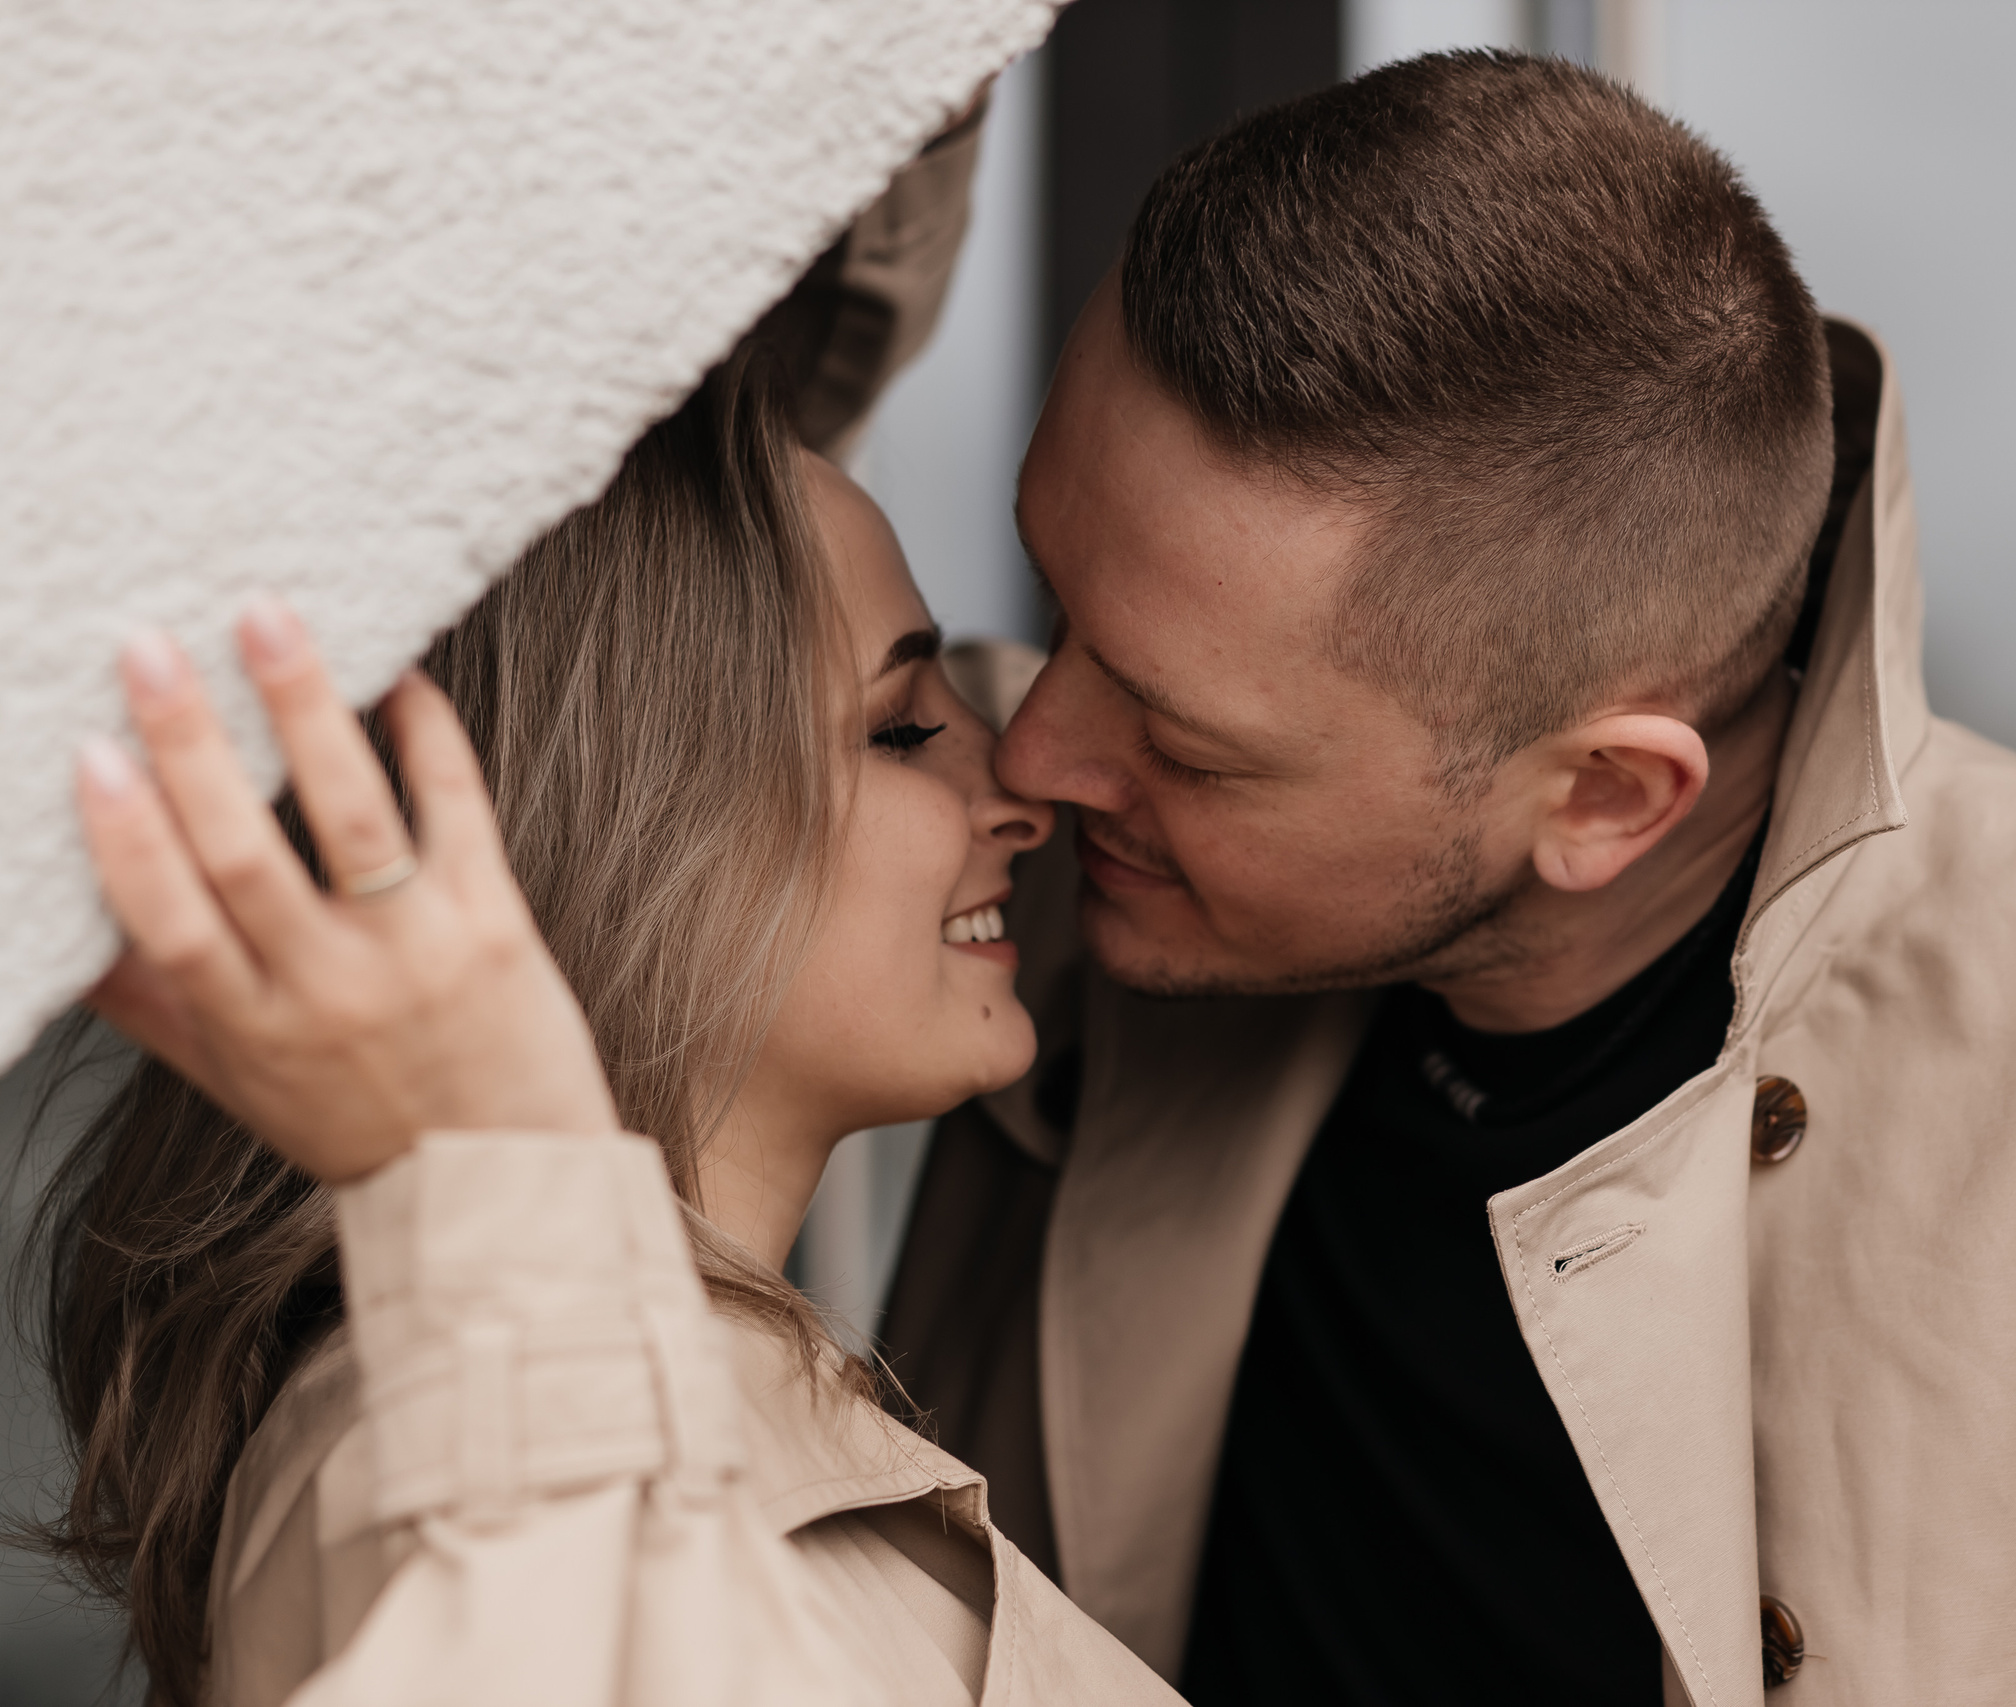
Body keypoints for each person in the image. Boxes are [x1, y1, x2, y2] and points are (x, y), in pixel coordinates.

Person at [877, 50, 2016, 1705]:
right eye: (1055, 599)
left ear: (1606, 796)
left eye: (1182, 736)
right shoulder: (981, 860)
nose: (1027, 758)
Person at [31, 351, 1181, 1707]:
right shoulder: (438, 1424)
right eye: (905, 726)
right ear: (639, 845)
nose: (1024, 795)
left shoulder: (543, 1386)